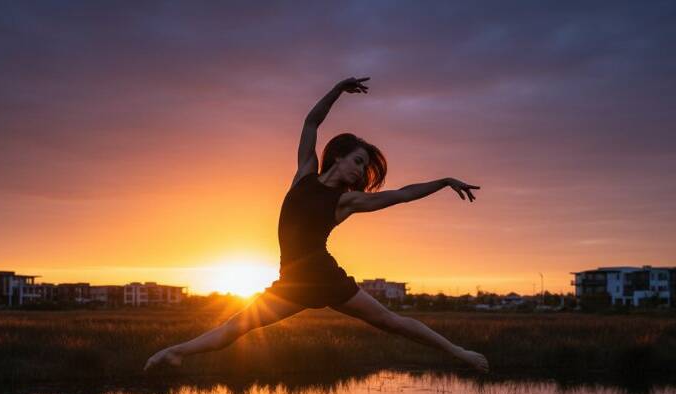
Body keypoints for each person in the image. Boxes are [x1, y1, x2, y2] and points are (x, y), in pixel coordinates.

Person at [144, 77, 489, 374]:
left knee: (391, 322)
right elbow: (311, 123)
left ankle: (460, 353)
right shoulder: (304, 174)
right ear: (337, 156)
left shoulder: (346, 201)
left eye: (364, 168)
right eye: (357, 161)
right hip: (292, 281)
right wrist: (337, 89)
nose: (359, 172)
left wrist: (444, 181)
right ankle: (175, 352)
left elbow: (402, 194)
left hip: (325, 278)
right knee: (237, 326)